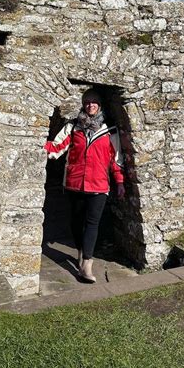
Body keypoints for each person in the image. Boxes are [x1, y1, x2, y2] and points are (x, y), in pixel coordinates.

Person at [44, 89, 125, 283]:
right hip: (74, 183)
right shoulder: (73, 127)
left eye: (94, 102)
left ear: (99, 105)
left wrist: (120, 181)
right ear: (83, 104)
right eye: (87, 102)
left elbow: (116, 159)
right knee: (76, 222)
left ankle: (87, 264)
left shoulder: (109, 130)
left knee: (92, 223)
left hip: (98, 185)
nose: (90, 105)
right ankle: (81, 251)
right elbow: (57, 147)